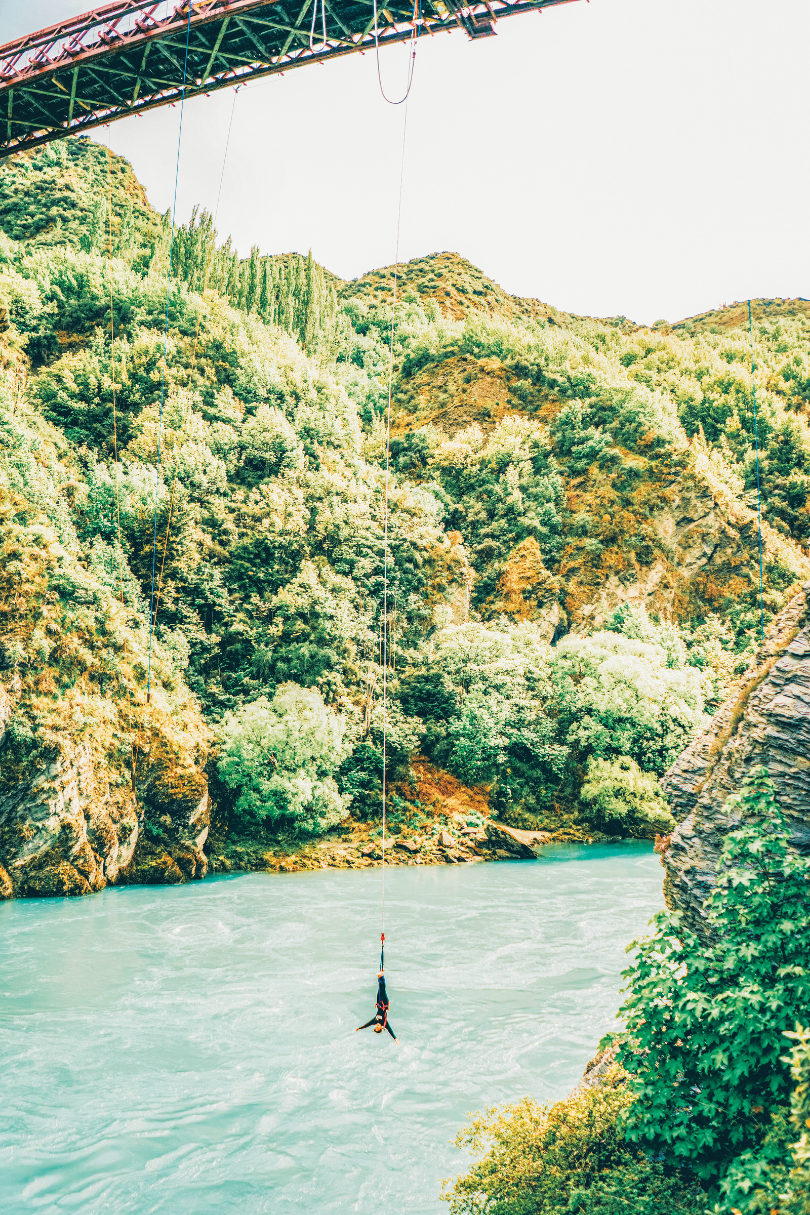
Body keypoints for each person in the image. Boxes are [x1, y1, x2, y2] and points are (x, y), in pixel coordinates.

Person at [356, 971, 397, 1040]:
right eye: (378, 1027)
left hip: (379, 1003)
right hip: (384, 1003)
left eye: (376, 1027)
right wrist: (395, 1039)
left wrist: (360, 1028)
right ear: (381, 1028)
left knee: (379, 990)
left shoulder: (375, 1021)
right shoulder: (384, 1023)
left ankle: (380, 977)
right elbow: (390, 1031)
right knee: (383, 990)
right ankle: (382, 976)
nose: (377, 1026)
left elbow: (367, 1024)